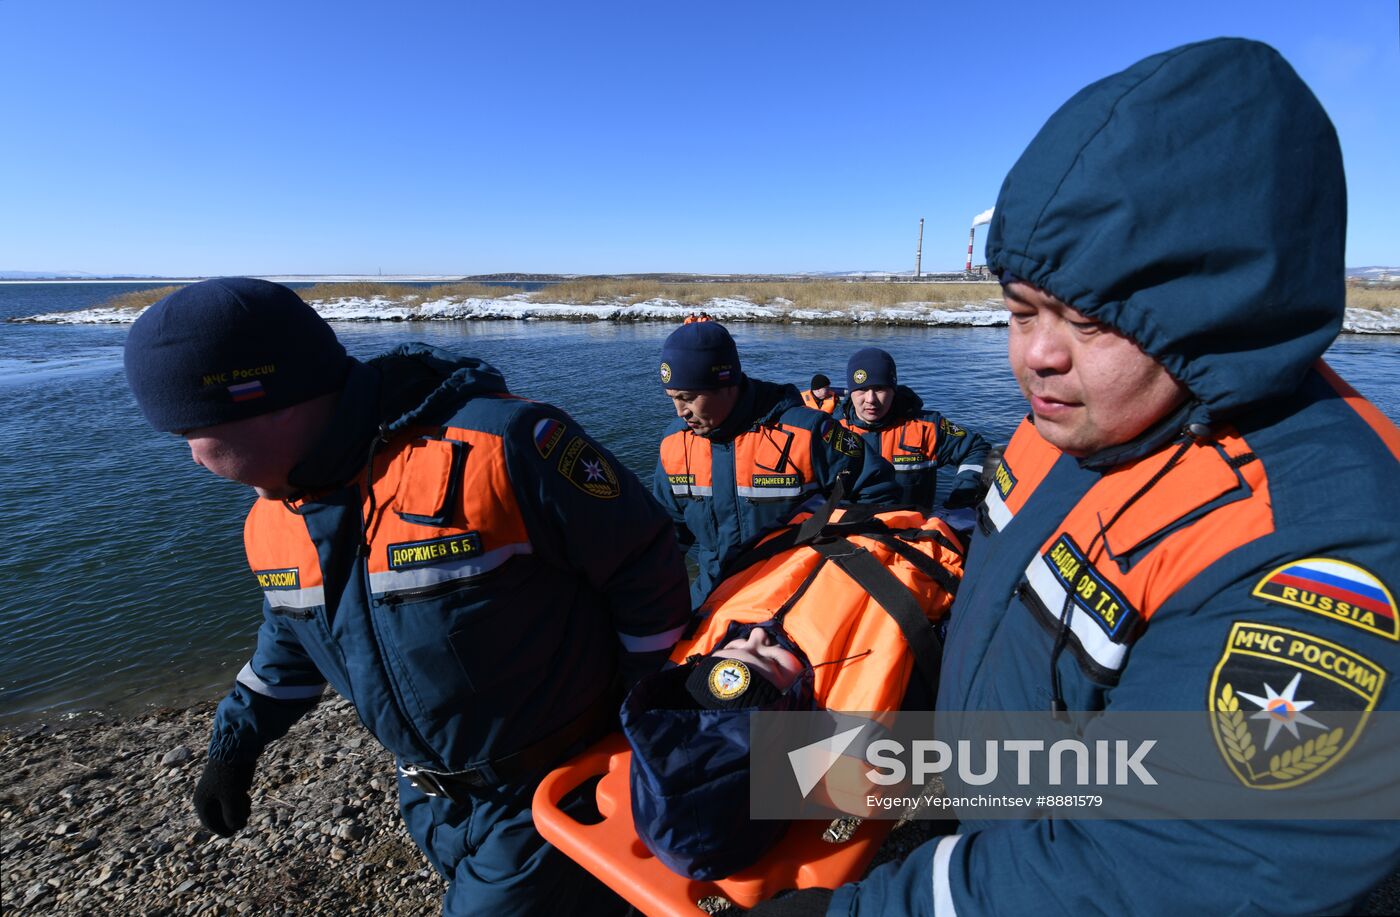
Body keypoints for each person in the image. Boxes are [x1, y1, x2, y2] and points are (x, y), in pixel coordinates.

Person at [759, 38, 1400, 916]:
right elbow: (999, 607)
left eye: (1091, 322)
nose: (1037, 358)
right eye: (1021, 311)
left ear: (1212, 315)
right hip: (981, 781)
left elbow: (1155, 871)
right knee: (733, 766)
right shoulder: (1073, 421)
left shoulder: (1319, 540)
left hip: (1042, 862)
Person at [122, 278, 691, 916]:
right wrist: (234, 746)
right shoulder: (271, 522)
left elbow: (645, 563)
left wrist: (649, 722)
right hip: (429, 799)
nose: (192, 460)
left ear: (268, 402)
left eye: (189, 435)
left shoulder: (501, 447)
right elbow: (290, 643)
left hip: (559, 785)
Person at [621, 503, 963, 881]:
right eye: (769, 658)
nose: (755, 635)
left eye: (732, 649)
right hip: (928, 536)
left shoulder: (702, 662)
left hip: (834, 513)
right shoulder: (857, 754)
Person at [653, 320, 899, 605]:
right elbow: (667, 531)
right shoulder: (674, 443)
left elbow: (878, 493)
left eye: (689, 397)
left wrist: (838, 569)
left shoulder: (808, 433)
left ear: (727, 383)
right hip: (713, 600)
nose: (681, 411)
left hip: (797, 601)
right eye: (672, 398)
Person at [841, 348, 991, 512]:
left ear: (893, 390)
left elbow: (975, 448)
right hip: (849, 532)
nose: (870, 399)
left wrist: (963, 497)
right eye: (862, 390)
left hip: (913, 532)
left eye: (879, 388)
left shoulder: (927, 428)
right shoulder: (832, 431)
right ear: (851, 392)